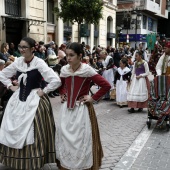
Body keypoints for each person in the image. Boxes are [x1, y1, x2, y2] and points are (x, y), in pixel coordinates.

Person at [0, 37, 61, 170]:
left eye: (24, 47)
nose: (21, 50)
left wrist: (44, 91)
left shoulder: (39, 63)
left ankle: (32, 160)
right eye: (20, 47)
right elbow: (2, 75)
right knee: (11, 125)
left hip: (34, 99)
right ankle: (15, 160)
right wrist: (10, 86)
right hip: (17, 99)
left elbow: (56, 80)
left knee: (33, 130)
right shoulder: (18, 62)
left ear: (32, 49)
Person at [55, 42, 111, 170]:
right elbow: (61, 84)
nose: (68, 58)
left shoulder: (87, 70)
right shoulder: (64, 69)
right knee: (65, 137)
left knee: (81, 139)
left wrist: (93, 98)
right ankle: (67, 165)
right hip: (66, 111)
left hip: (82, 109)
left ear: (80, 56)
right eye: (67, 55)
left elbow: (106, 85)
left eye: (72, 55)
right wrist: (62, 93)